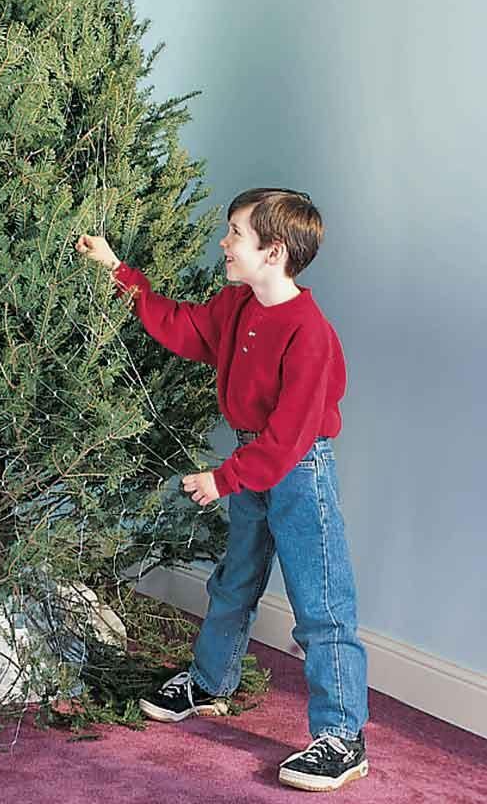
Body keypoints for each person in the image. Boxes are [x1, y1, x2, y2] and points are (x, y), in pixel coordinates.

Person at [76, 188, 369, 792]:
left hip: (296, 470)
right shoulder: (237, 305)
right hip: (253, 460)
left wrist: (225, 477)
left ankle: (342, 736)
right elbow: (184, 327)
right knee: (234, 582)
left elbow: (290, 437)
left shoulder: (309, 333)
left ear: (273, 251)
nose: (224, 243)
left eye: (235, 233)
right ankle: (209, 683)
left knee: (321, 605)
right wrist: (117, 271)